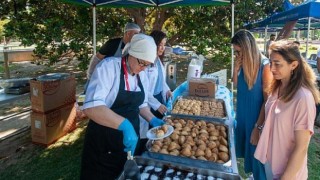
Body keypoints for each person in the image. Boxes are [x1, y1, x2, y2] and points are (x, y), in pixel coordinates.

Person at [80, 34, 164, 179]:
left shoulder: (141, 74)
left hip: (129, 143)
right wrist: (125, 125)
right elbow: (92, 107)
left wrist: (153, 120)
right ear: (131, 54)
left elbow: (141, 105)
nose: (143, 68)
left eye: (147, 64)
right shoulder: (109, 67)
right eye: (141, 63)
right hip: (104, 142)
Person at [254, 40, 320, 180]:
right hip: (270, 164)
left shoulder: (303, 98)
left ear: (294, 65)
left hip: (287, 173)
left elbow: (301, 147)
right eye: (271, 63)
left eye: (277, 64)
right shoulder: (277, 86)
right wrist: (257, 128)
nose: (271, 68)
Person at [232, 29, 273, 180]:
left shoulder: (265, 66)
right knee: (248, 153)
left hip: (256, 120)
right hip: (243, 116)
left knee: (258, 159)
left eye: (238, 51)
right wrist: (236, 69)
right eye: (235, 52)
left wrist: (258, 127)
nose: (237, 55)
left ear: (247, 49)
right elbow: (236, 86)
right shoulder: (243, 63)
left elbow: (267, 101)